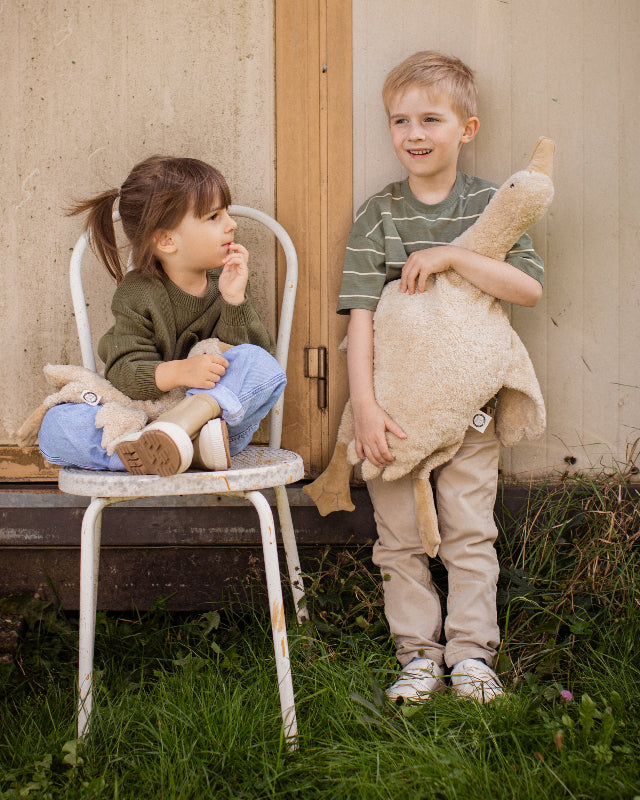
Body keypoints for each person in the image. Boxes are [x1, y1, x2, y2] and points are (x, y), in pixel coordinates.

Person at [337, 52, 544, 703]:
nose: (414, 134)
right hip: (394, 413)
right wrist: (365, 408)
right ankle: (418, 657)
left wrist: (454, 254)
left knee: (469, 533)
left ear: (467, 128)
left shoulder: (490, 206)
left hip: (470, 412)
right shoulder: (379, 215)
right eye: (400, 120)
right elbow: (360, 318)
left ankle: (473, 656)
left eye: (431, 118)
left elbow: (528, 290)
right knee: (397, 540)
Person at [38, 155, 286, 476]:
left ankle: (182, 437)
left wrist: (234, 299)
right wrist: (181, 371)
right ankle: (155, 450)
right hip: (143, 419)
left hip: (213, 428)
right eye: (214, 216)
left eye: (226, 213)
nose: (231, 223)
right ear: (167, 240)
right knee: (55, 426)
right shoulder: (138, 292)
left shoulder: (224, 280)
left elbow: (247, 358)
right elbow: (124, 372)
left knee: (262, 363)